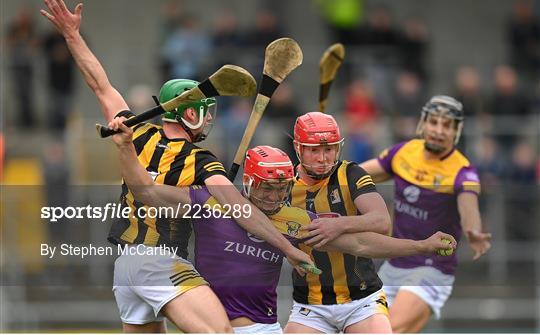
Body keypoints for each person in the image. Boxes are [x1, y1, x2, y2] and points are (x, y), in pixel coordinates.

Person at [40, 0, 313, 333]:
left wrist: (72, 36)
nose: (209, 117)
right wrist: (287, 247)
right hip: (160, 261)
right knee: (220, 331)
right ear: (187, 111)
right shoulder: (201, 160)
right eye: (204, 110)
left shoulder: (137, 131)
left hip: (126, 266)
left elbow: (100, 84)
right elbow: (239, 208)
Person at [108, 118, 457, 334]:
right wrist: (125, 149)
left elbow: (362, 244)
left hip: (264, 328)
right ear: (247, 183)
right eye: (265, 186)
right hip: (213, 323)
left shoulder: (294, 220)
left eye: (281, 187)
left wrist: (421, 245)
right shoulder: (209, 202)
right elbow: (149, 191)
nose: (274, 196)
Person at [360, 95, 492, 332]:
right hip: (393, 265)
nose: (439, 130)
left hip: (432, 269)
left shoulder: (463, 171)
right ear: (423, 124)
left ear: (456, 131)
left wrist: (473, 230)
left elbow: (468, 205)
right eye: (434, 122)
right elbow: (357, 176)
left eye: (446, 125)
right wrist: (328, 174)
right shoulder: (404, 153)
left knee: (388, 330)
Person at [285, 111, 393, 333]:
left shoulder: (350, 174)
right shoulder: (284, 187)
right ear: (298, 148)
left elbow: (382, 221)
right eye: (314, 150)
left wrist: (338, 225)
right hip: (311, 306)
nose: (323, 158)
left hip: (362, 301)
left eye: (329, 149)